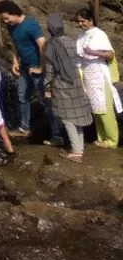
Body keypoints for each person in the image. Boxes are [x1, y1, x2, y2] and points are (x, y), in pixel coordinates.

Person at [0, 0, 58, 142]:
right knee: (22, 96)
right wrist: (15, 61)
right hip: (24, 68)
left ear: (15, 13)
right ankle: (24, 128)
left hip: (36, 68)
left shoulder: (30, 24)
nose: (5, 21)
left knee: (45, 101)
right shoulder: (12, 26)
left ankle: (57, 134)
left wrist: (41, 67)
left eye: (6, 18)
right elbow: (15, 43)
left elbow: (42, 44)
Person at [44, 13, 93, 162]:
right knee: (76, 116)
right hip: (76, 81)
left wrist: (46, 87)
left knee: (67, 119)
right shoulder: (72, 40)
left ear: (49, 28)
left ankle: (77, 152)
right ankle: (79, 147)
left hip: (62, 85)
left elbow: (50, 70)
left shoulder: (51, 45)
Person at [74, 5, 121, 149]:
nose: (80, 24)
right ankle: (101, 137)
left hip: (99, 74)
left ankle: (112, 140)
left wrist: (94, 52)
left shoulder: (99, 34)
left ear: (90, 20)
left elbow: (110, 54)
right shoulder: (81, 36)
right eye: (78, 21)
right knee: (95, 109)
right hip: (87, 74)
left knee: (105, 108)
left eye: (83, 21)